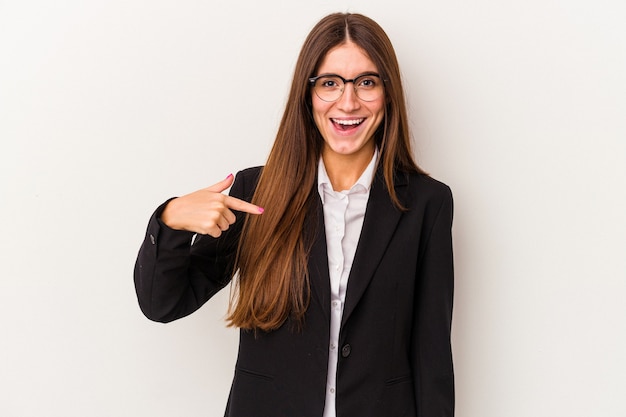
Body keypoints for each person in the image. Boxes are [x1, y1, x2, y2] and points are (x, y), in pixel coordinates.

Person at [134, 12, 454, 417]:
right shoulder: (257, 193)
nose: (348, 101)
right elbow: (162, 304)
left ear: (388, 94)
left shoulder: (428, 203)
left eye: (366, 82)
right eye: (330, 83)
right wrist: (171, 219)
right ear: (308, 94)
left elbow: (432, 356)